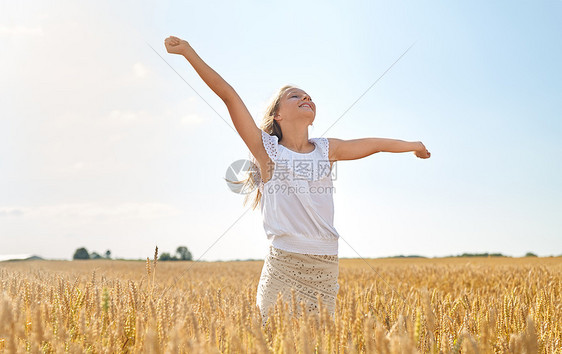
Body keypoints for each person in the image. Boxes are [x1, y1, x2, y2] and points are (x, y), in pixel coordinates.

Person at [164, 35, 431, 327]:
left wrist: (412, 144)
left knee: (316, 342)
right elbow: (228, 95)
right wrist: (189, 52)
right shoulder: (267, 150)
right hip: (284, 264)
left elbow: (374, 144)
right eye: (295, 96)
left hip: (325, 265)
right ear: (277, 114)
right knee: (272, 339)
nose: (306, 98)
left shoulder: (327, 149)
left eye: (309, 97)